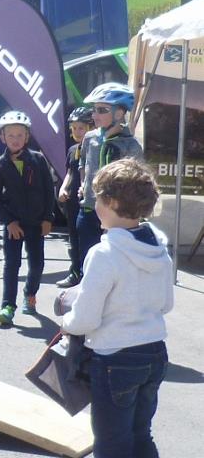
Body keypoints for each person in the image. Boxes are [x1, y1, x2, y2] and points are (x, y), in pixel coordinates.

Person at [57, 158, 173, 458]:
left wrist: (67, 321)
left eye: (97, 199)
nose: (93, 205)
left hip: (115, 359)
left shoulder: (104, 252)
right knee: (139, 434)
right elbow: (166, 304)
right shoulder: (159, 247)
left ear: (110, 202)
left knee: (111, 442)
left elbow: (85, 318)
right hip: (154, 353)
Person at [0, 110, 55, 326]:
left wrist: (47, 218)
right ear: (2, 138)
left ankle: (30, 294)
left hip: (36, 223)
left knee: (36, 265)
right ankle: (7, 306)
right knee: (11, 265)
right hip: (14, 225)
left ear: (27, 137)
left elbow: (48, 190)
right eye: (10, 136)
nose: (15, 140)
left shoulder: (38, 160)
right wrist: (9, 222)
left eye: (19, 135)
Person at [76, 82, 143, 276]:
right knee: (87, 265)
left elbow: (136, 184)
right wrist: (84, 185)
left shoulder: (131, 146)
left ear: (119, 114)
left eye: (102, 110)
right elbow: (83, 164)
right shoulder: (90, 138)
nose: (95, 115)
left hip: (116, 216)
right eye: (94, 110)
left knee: (112, 269)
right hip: (89, 210)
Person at [56, 105, 94, 288]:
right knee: (73, 237)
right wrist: (62, 189)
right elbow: (70, 172)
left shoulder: (95, 148)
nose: (77, 132)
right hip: (73, 199)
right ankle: (74, 271)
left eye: (81, 128)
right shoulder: (73, 150)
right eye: (74, 128)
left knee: (89, 238)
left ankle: (88, 275)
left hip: (89, 199)